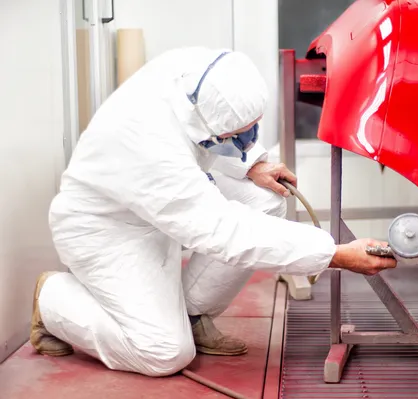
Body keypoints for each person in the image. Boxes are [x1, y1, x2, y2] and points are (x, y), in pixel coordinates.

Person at [30, 47, 397, 377]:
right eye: (237, 137)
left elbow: (209, 134)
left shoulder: (197, 75)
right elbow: (225, 233)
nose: (247, 141)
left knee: (265, 200)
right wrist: (334, 254)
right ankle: (52, 300)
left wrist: (251, 162)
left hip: (154, 203)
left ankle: (190, 315)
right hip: (107, 232)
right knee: (163, 353)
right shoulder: (149, 146)